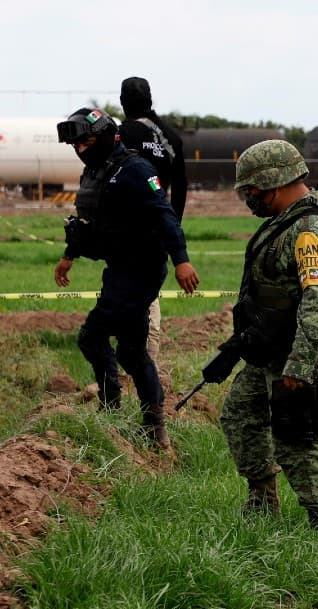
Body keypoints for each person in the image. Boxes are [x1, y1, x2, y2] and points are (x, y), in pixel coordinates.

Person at [218, 139, 318, 529]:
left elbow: (317, 301)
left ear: (274, 182)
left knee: (299, 439)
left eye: (253, 191)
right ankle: (262, 500)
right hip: (272, 348)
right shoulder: (285, 223)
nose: (249, 199)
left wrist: (299, 365)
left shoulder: (311, 229)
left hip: (301, 353)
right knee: (241, 415)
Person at [54, 107, 199, 449]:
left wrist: (182, 261)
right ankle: (153, 427)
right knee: (132, 352)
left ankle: (111, 408)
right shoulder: (93, 172)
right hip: (118, 269)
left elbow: (164, 216)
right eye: (76, 145)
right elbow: (86, 224)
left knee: (92, 337)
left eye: (86, 142)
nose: (80, 150)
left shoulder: (135, 169)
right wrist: (68, 257)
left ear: (103, 137)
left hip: (141, 270)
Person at [118, 76, 189, 363]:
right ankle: (147, 364)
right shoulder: (171, 137)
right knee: (150, 298)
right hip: (157, 232)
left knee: (122, 296)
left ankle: (133, 370)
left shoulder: (120, 135)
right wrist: (171, 228)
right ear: (150, 100)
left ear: (123, 102)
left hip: (124, 231)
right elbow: (181, 189)